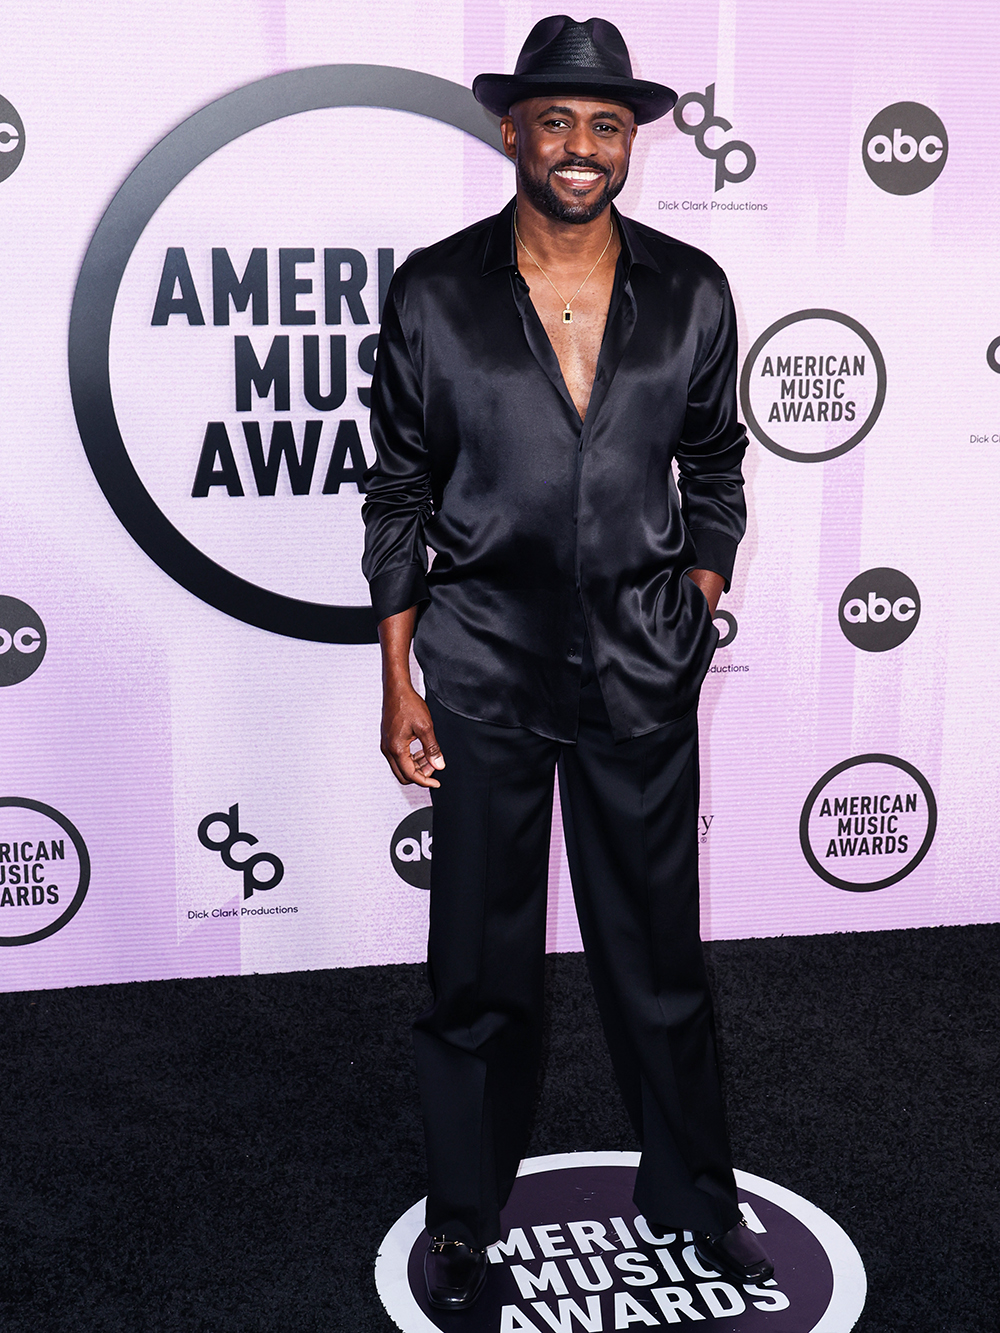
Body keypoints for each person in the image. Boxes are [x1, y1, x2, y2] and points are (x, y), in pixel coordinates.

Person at [362, 14, 773, 1313]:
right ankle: (469, 1220)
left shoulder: (695, 290)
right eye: (557, 121)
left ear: (632, 140)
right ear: (512, 131)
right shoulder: (434, 289)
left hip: (641, 673)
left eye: (606, 125)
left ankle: (694, 1199)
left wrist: (697, 596)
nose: (582, 147)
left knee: (658, 961)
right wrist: (397, 674)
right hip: (481, 667)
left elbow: (716, 465)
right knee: (477, 971)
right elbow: (399, 490)